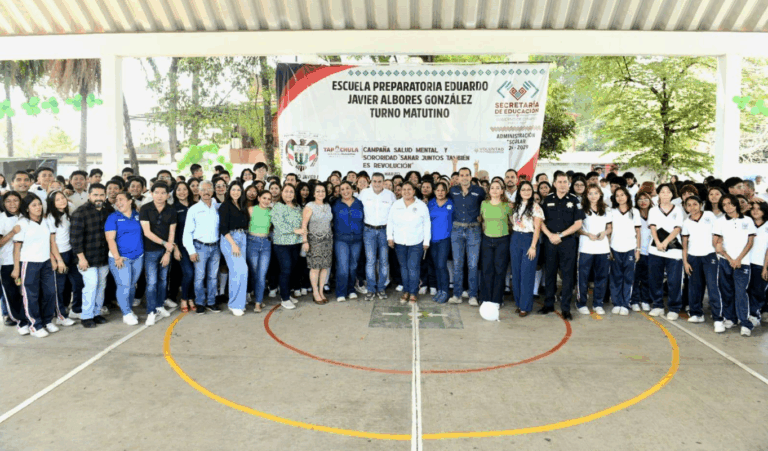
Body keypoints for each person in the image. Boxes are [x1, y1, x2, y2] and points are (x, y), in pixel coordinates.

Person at [539, 172, 584, 320]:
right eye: (560, 182)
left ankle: (566, 308)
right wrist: (550, 235)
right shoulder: (547, 200)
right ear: (554, 183)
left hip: (567, 242)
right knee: (550, 274)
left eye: (565, 182)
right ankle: (549, 304)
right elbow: (540, 221)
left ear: (568, 184)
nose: (563, 184)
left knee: (567, 276)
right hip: (550, 241)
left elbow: (578, 223)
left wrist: (560, 235)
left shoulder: (574, 200)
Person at [11, 197, 58, 337]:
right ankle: (34, 325)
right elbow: (17, 249)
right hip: (29, 263)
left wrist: (53, 259)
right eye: (34, 205)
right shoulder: (23, 223)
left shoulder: (45, 221)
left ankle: (47, 321)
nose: (38, 207)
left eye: (39, 204)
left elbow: (48, 243)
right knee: (31, 295)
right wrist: (16, 268)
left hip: (45, 262)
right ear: (27, 208)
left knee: (49, 292)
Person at [71, 184, 113, 328]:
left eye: (102, 195)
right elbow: (75, 239)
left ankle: (96, 313)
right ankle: (86, 316)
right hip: (86, 259)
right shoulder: (80, 213)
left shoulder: (108, 210)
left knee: (101, 286)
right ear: (89, 195)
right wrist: (81, 258)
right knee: (91, 285)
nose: (99, 198)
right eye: (95, 195)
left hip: (103, 257)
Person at [714, 194, 756, 336]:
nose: (728, 207)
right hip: (725, 261)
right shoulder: (720, 222)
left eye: (730, 203)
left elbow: (750, 242)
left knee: (741, 293)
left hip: (742, 263)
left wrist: (738, 259)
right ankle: (730, 318)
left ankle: (745, 322)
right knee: (726, 291)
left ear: (736, 204)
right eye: (724, 204)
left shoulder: (748, 220)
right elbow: (717, 244)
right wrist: (729, 258)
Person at [447, 161, 485, 306]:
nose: (464, 177)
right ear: (458, 177)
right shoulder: (453, 190)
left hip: (473, 230)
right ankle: (457, 295)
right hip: (457, 230)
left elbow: (485, 206)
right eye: (461, 175)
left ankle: (472, 295)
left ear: (470, 177)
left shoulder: (479, 191)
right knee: (457, 264)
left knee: (473, 265)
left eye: (466, 175)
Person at [139, 182, 177, 326]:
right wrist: (164, 243)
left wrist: (168, 251)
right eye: (157, 192)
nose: (160, 196)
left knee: (163, 280)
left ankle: (160, 305)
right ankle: (151, 311)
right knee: (152, 282)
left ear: (168, 195)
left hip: (165, 251)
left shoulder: (171, 210)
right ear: (152, 193)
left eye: (163, 193)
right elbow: (147, 232)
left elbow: (172, 232)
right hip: (150, 251)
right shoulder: (145, 209)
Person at [387, 182, 430, 304]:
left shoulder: (421, 205)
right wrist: (390, 237)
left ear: (414, 191)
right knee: (404, 268)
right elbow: (390, 221)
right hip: (399, 242)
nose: (406, 192)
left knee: (413, 268)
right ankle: (406, 291)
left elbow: (427, 224)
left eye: (409, 189)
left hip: (416, 242)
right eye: (404, 189)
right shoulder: (396, 204)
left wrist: (426, 241)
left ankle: (413, 292)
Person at [647, 183, 685, 320]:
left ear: (672, 194)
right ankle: (657, 305)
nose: (665, 194)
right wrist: (657, 242)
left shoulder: (678, 210)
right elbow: (652, 227)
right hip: (655, 249)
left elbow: (677, 228)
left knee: (674, 280)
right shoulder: (653, 210)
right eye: (662, 192)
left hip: (673, 250)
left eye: (668, 192)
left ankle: (674, 307)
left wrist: (665, 242)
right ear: (658, 194)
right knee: (655, 278)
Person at [182, 181, 221, 314]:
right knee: (199, 277)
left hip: (215, 247)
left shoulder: (216, 206)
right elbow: (187, 232)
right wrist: (191, 251)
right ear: (198, 192)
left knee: (213, 277)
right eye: (203, 189)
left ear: (213, 191)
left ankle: (211, 302)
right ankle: (200, 302)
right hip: (200, 247)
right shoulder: (193, 209)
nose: (206, 192)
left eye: (209, 189)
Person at [105, 192, 143, 326]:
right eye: (116, 200)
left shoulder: (137, 215)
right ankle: (126, 313)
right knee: (124, 286)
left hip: (138, 257)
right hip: (120, 258)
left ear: (130, 201)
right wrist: (117, 257)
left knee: (132, 285)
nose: (118, 202)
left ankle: (129, 309)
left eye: (121, 199)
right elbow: (110, 239)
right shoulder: (113, 217)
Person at [681, 195, 719, 325]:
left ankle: (718, 316)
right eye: (689, 205)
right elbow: (684, 244)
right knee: (694, 286)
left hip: (710, 255)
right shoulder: (686, 222)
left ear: (701, 204)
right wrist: (685, 262)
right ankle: (696, 313)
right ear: (685, 207)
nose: (692, 207)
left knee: (713, 286)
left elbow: (718, 234)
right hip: (693, 256)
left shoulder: (709, 215)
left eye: (695, 204)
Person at [359, 173, 396, 301]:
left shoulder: (390, 195)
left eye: (380, 181)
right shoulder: (364, 193)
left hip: (384, 231)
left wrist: (391, 235)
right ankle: (370, 289)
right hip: (368, 230)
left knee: (384, 261)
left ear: (383, 182)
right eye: (374, 181)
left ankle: (381, 288)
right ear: (371, 182)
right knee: (370, 261)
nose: (377, 184)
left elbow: (393, 216)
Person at [576, 185, 612, 316]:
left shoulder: (606, 209)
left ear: (600, 194)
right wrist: (587, 234)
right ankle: (581, 303)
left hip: (602, 248)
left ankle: (598, 303)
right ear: (586, 195)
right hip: (586, 247)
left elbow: (609, 227)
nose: (593, 196)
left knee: (601, 277)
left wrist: (605, 232)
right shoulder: (581, 208)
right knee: (583, 276)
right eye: (590, 193)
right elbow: (577, 228)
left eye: (596, 193)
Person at [510, 181, 544, 316]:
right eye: (523, 189)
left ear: (532, 191)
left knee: (527, 274)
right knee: (516, 273)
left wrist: (533, 246)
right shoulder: (516, 206)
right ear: (519, 191)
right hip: (515, 239)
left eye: (528, 189)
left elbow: (537, 228)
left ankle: (525, 306)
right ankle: (519, 303)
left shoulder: (536, 207)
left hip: (529, 240)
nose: (526, 192)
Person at [45, 191, 77, 327]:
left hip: (70, 252)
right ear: (52, 203)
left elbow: (71, 203)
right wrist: (58, 260)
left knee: (76, 282)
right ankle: (60, 315)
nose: (62, 201)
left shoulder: (66, 213)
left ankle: (74, 309)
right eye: (57, 200)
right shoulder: (51, 218)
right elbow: (51, 242)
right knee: (60, 287)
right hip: (60, 254)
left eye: (62, 198)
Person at [478, 180, 512, 306]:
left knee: (500, 270)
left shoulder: (507, 205)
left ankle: (497, 299)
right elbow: (481, 221)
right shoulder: (484, 204)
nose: (495, 190)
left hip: (502, 240)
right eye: (492, 188)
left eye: (498, 188)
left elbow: (513, 222)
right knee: (487, 270)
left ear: (502, 191)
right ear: (489, 190)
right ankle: (485, 298)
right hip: (487, 240)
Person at [218, 182, 250, 316]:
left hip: (242, 237)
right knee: (241, 269)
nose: (236, 192)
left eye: (238, 190)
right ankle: (234, 304)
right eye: (233, 189)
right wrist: (233, 244)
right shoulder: (225, 206)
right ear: (229, 191)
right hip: (230, 240)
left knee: (237, 272)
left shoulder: (242, 206)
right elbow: (223, 228)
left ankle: (238, 302)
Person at [609, 187, 640, 315]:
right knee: (616, 277)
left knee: (628, 277)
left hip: (630, 248)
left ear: (627, 196)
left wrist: (637, 249)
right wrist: (609, 247)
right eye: (617, 195)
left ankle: (625, 303)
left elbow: (638, 232)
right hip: (615, 248)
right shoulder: (611, 211)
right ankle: (616, 303)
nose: (620, 197)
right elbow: (609, 231)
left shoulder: (634, 212)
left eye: (622, 195)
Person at [272, 184, 304, 310]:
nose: (289, 194)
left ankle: (287, 294)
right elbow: (279, 225)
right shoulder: (278, 207)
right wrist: (296, 230)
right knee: (285, 270)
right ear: (281, 193)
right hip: (282, 244)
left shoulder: (297, 208)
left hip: (295, 243)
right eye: (286, 191)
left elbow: (302, 224)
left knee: (292, 269)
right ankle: (284, 298)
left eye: (291, 192)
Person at [332, 182, 365, 304]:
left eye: (347, 188)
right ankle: (341, 292)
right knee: (343, 267)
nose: (345, 191)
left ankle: (351, 290)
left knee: (353, 266)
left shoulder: (359, 203)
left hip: (357, 239)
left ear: (352, 190)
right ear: (339, 191)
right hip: (341, 239)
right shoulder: (336, 204)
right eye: (342, 189)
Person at [169, 181, 195, 313]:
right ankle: (184, 298)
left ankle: (191, 298)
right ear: (174, 192)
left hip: (195, 245)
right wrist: (175, 248)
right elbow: (172, 231)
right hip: (181, 246)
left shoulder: (195, 206)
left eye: (184, 189)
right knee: (188, 273)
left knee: (194, 273)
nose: (182, 192)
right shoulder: (173, 208)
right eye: (178, 190)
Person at [0, 192, 24, 330]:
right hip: (7, 261)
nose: (12, 203)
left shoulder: (24, 216)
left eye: (16, 200)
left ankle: (26, 316)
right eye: (8, 201)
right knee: (11, 292)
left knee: (25, 291)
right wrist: (12, 233)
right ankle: (15, 318)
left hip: (26, 259)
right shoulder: (1, 218)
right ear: (4, 203)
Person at [428, 182, 453, 304]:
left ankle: (445, 292)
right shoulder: (430, 203)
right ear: (434, 191)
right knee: (436, 266)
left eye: (443, 190)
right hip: (432, 239)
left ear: (446, 191)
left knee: (442, 265)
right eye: (438, 190)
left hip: (445, 239)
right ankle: (439, 290)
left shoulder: (451, 203)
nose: (440, 192)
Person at [247, 190, 272, 313]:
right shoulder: (251, 209)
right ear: (258, 198)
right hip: (252, 242)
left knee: (261, 275)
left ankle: (258, 302)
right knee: (254, 272)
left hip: (266, 243)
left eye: (269, 199)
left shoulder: (271, 212)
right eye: (264, 198)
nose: (266, 201)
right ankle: (253, 295)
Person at [748, 201, 768, 321]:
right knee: (745, 290)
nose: (755, 211)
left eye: (759, 209)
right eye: (753, 208)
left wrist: (765, 267)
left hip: (760, 264)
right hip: (745, 263)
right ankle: (746, 314)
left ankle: (755, 315)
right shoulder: (747, 223)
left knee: (758, 291)